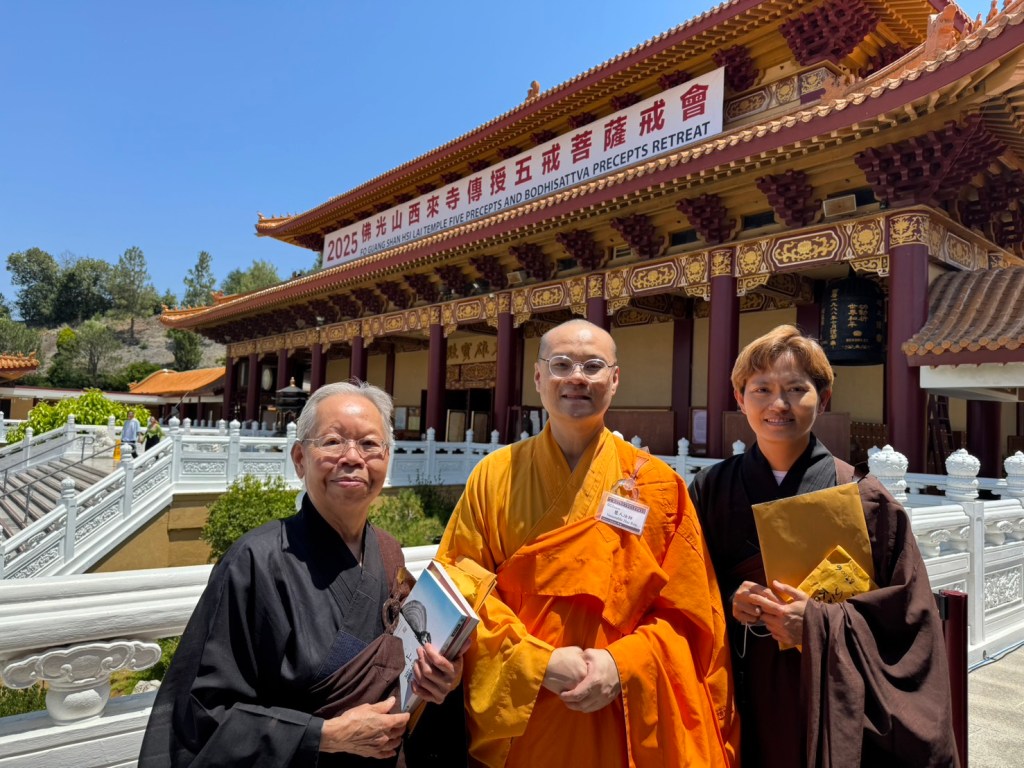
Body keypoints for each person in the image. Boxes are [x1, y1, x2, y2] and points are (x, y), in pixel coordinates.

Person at [436, 319, 738, 768]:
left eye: (593, 366)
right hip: (525, 718)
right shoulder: (493, 477)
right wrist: (535, 662)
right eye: (561, 364)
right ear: (538, 377)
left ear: (614, 380)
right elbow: (459, 588)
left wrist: (623, 665)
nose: (577, 377)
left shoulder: (658, 485)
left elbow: (690, 614)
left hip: (622, 714)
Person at [139, 382, 465, 767]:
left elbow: (404, 662)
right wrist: (323, 736)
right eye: (332, 442)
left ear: (387, 458)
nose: (353, 457)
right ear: (299, 458)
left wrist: (442, 677)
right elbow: (204, 714)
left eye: (369, 444)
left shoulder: (389, 551)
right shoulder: (256, 562)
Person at [689, 325, 959, 767]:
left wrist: (818, 626)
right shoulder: (710, 489)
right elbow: (681, 584)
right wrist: (727, 597)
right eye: (761, 389)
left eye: (797, 389)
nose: (779, 404)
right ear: (739, 398)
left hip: (830, 696)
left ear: (824, 398)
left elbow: (910, 618)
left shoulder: (864, 498)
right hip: (738, 687)